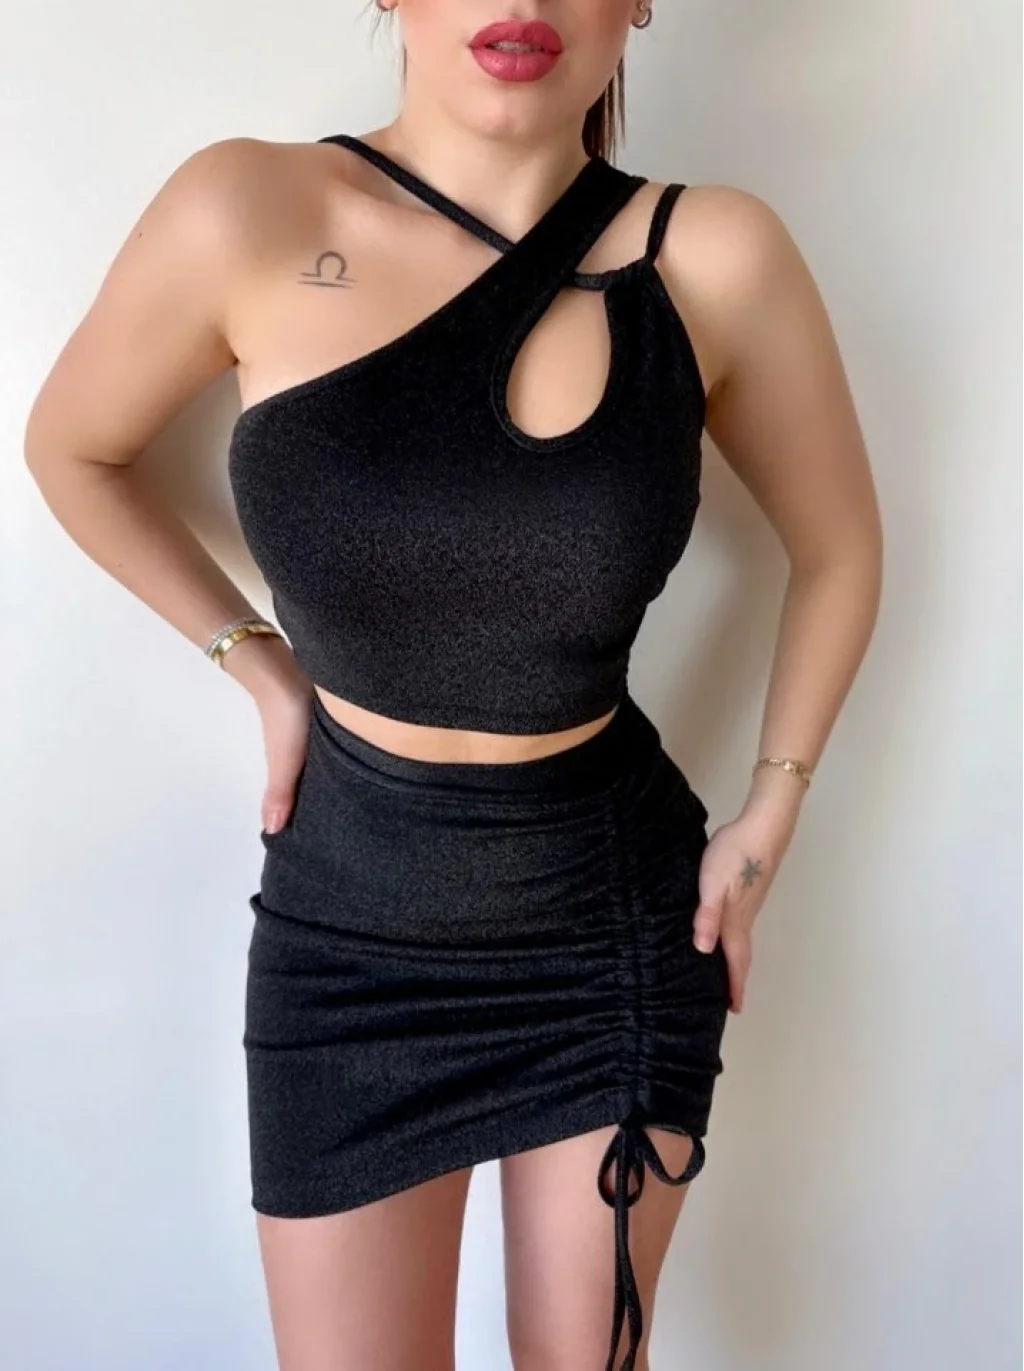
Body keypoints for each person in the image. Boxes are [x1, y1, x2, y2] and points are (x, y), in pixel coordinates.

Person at [23, 2, 883, 1368]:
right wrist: (260, 669)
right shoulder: (246, 209)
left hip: (610, 929)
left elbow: (839, 549)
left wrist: (771, 812)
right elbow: (74, 449)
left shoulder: (710, 255)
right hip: (346, 938)